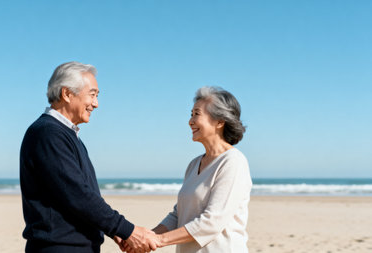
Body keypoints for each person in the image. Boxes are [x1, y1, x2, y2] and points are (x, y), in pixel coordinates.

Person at [19, 61, 158, 253]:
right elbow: (77, 194)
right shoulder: (47, 134)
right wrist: (127, 230)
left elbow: (86, 195)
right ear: (67, 94)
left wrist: (114, 231)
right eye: (92, 95)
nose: (96, 104)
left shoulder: (68, 135)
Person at [151, 86, 252, 253]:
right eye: (191, 114)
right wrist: (149, 236)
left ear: (220, 121)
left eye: (196, 114)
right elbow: (179, 215)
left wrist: (159, 240)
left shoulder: (233, 162)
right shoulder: (194, 164)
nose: (190, 121)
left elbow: (211, 223)